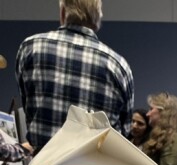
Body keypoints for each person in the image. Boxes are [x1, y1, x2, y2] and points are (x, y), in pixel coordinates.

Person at [15, 0, 134, 153]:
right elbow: (124, 134)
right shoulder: (119, 66)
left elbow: (29, 106)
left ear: (63, 12)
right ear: (97, 19)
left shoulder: (30, 48)